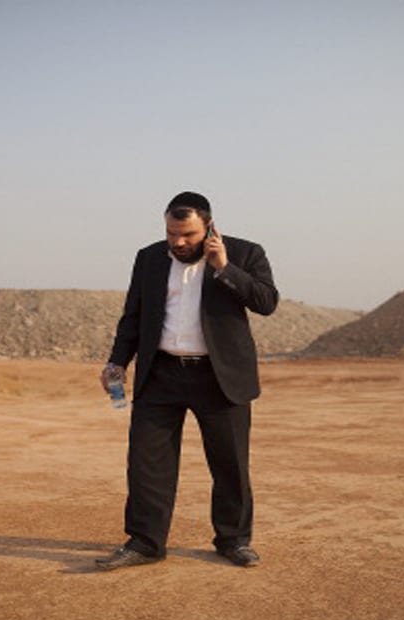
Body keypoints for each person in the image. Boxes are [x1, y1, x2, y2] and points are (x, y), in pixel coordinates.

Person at [96, 191, 278, 571]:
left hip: (220, 377)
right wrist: (117, 362)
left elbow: (266, 301)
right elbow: (134, 315)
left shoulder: (246, 253)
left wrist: (224, 267)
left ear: (209, 227)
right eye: (171, 233)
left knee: (229, 464)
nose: (178, 242)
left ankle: (234, 540)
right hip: (160, 374)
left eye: (188, 235)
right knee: (146, 463)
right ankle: (145, 542)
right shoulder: (148, 258)